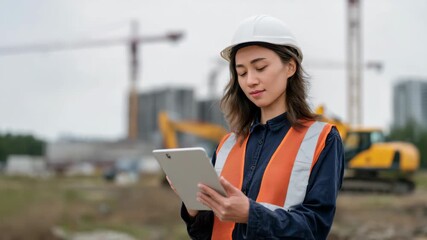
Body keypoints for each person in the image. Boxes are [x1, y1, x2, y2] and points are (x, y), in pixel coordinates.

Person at [174, 15, 345, 240]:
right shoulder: (227, 145)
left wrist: (250, 214)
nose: (250, 80)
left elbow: (315, 228)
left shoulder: (322, 139)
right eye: (242, 72)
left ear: (290, 67)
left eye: (260, 68)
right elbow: (207, 233)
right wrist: (194, 207)